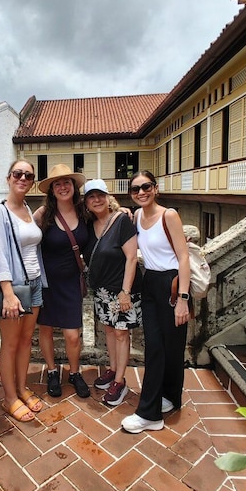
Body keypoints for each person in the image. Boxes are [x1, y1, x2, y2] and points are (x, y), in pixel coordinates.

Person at [121, 170, 191, 434]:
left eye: (146, 187)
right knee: (155, 346)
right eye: (135, 189)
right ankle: (162, 401)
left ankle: (152, 412)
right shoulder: (137, 216)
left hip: (172, 285)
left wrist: (183, 299)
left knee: (172, 346)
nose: (141, 192)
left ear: (156, 188)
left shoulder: (169, 215)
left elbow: (183, 257)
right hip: (150, 282)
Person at [0, 160, 47, 422]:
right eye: (18, 174)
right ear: (9, 178)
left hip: (34, 284)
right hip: (14, 287)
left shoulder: (28, 209)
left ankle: (21, 388)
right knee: (9, 344)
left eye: (28, 175)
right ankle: (9, 398)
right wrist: (7, 293)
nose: (23, 178)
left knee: (25, 341)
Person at [34, 164, 91, 399]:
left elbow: (105, 218)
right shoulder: (42, 214)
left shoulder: (84, 212)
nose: (62, 186)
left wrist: (127, 212)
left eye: (66, 182)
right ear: (52, 189)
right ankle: (51, 371)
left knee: (72, 335)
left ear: (74, 186)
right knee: (45, 330)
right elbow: (23, 235)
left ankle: (75, 373)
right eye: (57, 183)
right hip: (46, 282)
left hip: (71, 283)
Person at [82, 179, 141, 406]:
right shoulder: (88, 225)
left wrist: (125, 292)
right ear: (86, 202)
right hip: (102, 291)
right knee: (109, 330)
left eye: (100, 195)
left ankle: (120, 381)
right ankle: (113, 369)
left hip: (121, 291)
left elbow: (132, 257)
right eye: (91, 197)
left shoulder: (122, 221)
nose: (96, 200)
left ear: (108, 197)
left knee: (121, 334)